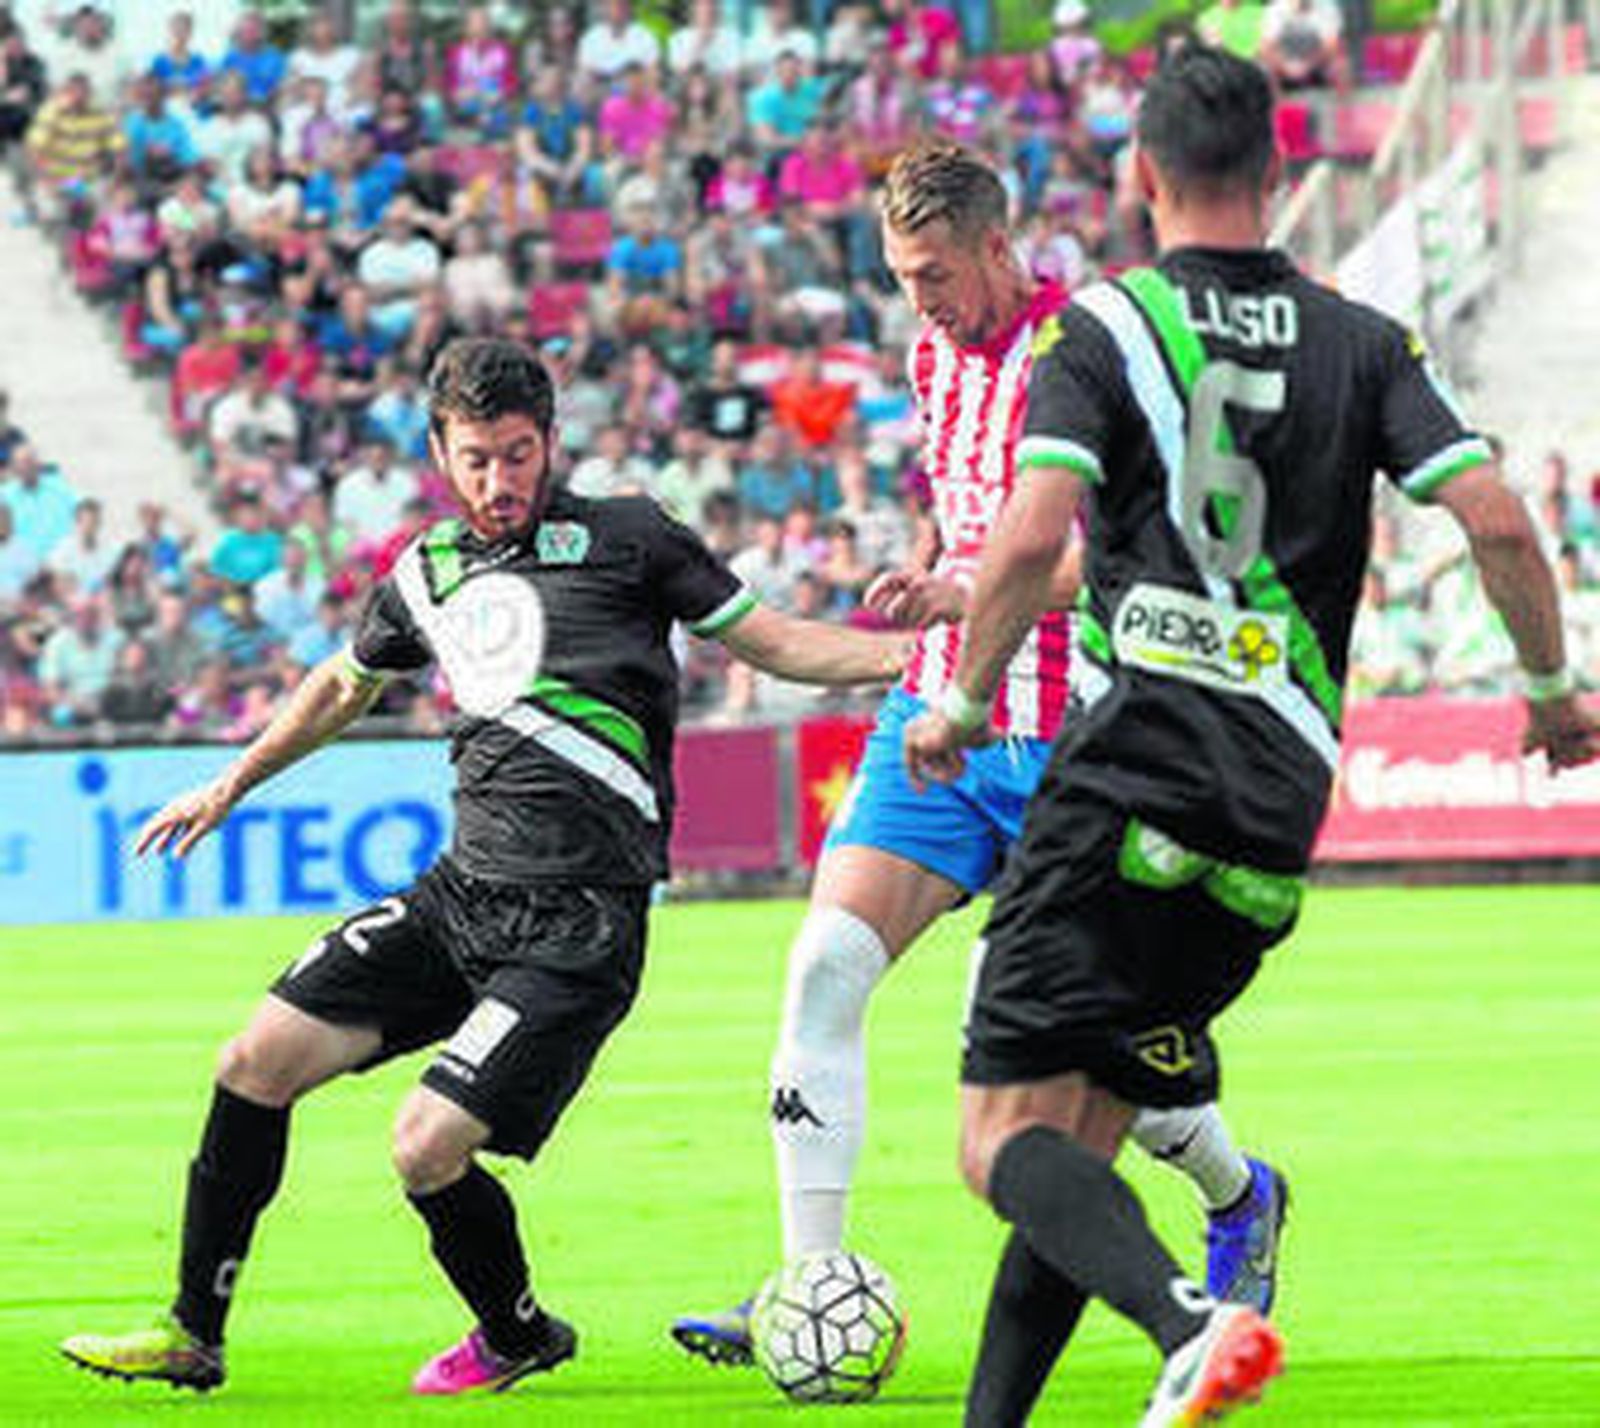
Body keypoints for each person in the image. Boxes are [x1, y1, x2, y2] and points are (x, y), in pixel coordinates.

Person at [901, 46, 1600, 1427]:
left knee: (998, 1146)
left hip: (1124, 774)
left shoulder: (1102, 329)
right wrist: (1547, 692)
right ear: (1279, 177)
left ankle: (1182, 1323)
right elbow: (1500, 520)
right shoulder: (1364, 339)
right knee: (1079, 1134)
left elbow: (1033, 531)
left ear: (1142, 177)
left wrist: (964, 699)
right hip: (1272, 817)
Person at [59, 337, 910, 1398]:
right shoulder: (425, 571)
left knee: (423, 1147)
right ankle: (195, 1332)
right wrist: (229, 785)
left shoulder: (630, 537)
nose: (499, 481)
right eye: (476, 459)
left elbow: (776, 642)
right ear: (438, 452)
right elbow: (339, 685)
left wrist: (922, 660)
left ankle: (514, 1334)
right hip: (457, 900)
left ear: (550, 443)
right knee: (252, 1062)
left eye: (517, 455)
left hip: (579, 928)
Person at [671, 139, 1284, 1369]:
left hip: (1077, 739)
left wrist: (965, 593)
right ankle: (808, 1282)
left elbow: (1115, 558)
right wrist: (933, 584)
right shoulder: (928, 356)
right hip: (941, 715)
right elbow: (964, 511)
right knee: (822, 970)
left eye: (935, 273)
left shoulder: (1096, 358)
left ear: (1001, 248)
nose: (920, 300)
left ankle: (1234, 1192)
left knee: (1055, 1079)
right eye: (902, 277)